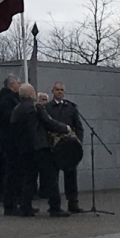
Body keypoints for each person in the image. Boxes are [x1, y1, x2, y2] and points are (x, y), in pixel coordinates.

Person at [10, 83, 71, 217]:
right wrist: (65, 128)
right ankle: (55, 207)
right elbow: (48, 122)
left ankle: (26, 207)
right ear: (31, 94)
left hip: (24, 149)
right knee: (50, 177)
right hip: (40, 147)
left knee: (29, 178)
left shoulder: (17, 109)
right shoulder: (36, 106)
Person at [45, 81, 85, 214]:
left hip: (69, 148)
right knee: (53, 178)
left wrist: (78, 142)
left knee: (71, 176)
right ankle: (55, 206)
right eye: (57, 89)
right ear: (52, 91)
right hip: (54, 148)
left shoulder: (71, 108)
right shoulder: (47, 107)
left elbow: (78, 127)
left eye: (62, 90)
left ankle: (73, 203)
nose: (60, 92)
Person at [0, 75, 22, 216]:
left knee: (16, 174)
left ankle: (17, 202)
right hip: (11, 142)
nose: (20, 85)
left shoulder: (12, 99)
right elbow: (9, 120)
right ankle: (10, 204)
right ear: (12, 85)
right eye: (18, 83)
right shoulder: (7, 100)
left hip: (12, 142)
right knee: (12, 174)